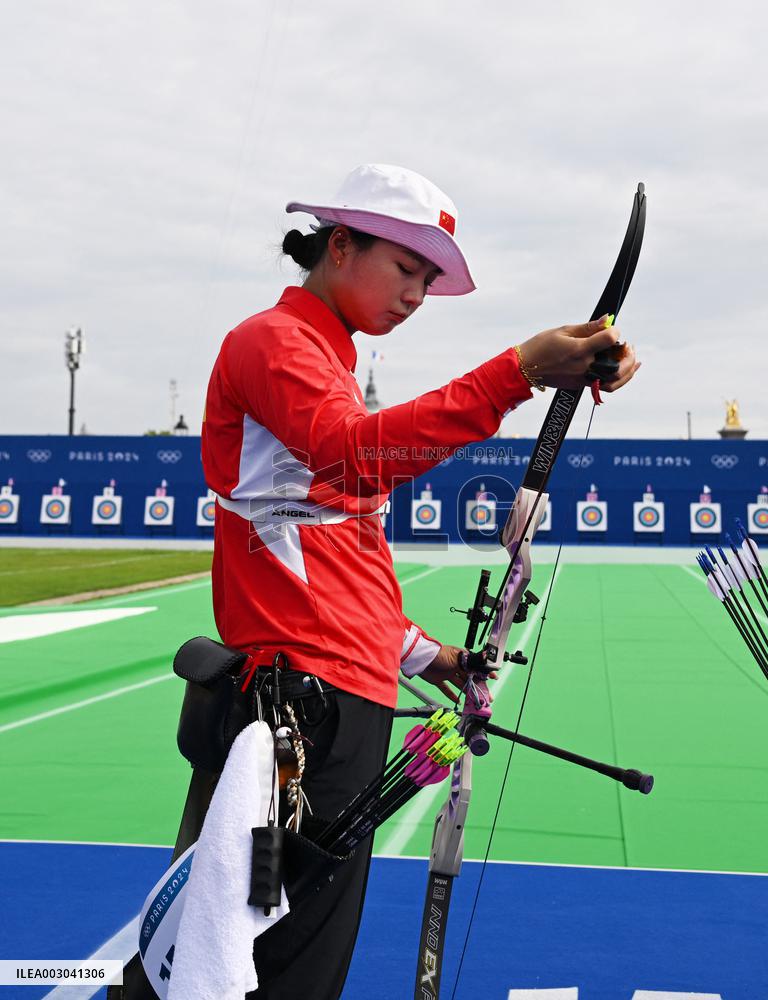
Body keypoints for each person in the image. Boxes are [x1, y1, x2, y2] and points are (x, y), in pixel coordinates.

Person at [117, 163, 639, 1000]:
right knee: (263, 959)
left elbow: (334, 556)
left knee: (262, 947)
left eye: (429, 280)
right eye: (407, 267)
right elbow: (358, 457)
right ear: (341, 244)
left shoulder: (325, 361)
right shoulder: (276, 343)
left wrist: (430, 657)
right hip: (291, 724)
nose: (417, 295)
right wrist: (521, 372)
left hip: (332, 708)